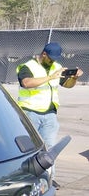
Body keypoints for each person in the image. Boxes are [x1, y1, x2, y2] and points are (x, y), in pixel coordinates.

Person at [16, 42, 83, 186]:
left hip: (50, 113)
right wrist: (50, 77)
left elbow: (67, 85)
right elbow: (26, 83)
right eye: (51, 58)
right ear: (44, 54)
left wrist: (74, 78)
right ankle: (25, 179)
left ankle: (49, 179)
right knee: (30, 148)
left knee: (50, 148)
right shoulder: (28, 66)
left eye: (56, 58)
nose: (53, 61)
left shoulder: (56, 67)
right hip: (30, 112)